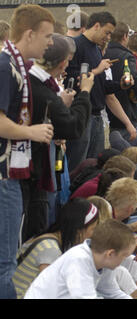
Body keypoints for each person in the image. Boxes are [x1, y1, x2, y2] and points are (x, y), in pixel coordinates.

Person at [0, 4, 56, 299]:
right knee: (4, 262)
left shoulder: (13, 65)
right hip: (4, 176)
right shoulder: (5, 66)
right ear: (30, 33)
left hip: (10, 173)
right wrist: (30, 132)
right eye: (47, 35)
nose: (50, 42)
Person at [22, 34, 95, 242]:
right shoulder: (43, 91)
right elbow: (73, 127)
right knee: (33, 231)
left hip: (33, 168)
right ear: (63, 62)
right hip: (34, 171)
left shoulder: (30, 82)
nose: (65, 70)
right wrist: (85, 93)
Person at [64, 11, 133, 172]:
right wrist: (97, 69)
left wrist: (120, 85)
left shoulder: (95, 49)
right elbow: (71, 81)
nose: (109, 37)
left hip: (97, 116)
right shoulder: (75, 45)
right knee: (77, 165)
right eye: (107, 32)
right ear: (96, 26)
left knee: (96, 166)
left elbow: (101, 87)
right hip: (81, 114)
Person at [24, 219, 137, 299]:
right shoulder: (78, 260)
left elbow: (111, 292)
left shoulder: (103, 263)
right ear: (110, 253)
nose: (125, 260)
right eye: (124, 256)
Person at [13, 198, 99, 298]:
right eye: (93, 229)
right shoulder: (50, 249)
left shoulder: (51, 238)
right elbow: (49, 291)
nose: (94, 234)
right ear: (78, 230)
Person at [104, 22, 137, 148]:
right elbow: (134, 76)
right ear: (124, 36)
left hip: (108, 116)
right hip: (127, 114)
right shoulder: (126, 56)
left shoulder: (103, 53)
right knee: (134, 159)